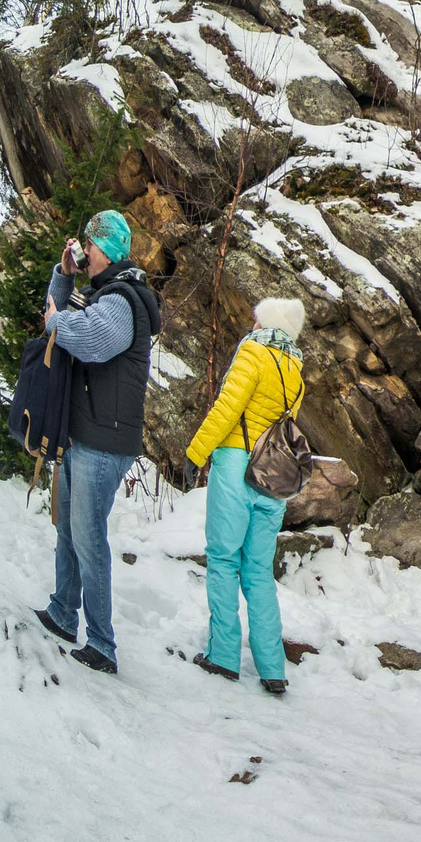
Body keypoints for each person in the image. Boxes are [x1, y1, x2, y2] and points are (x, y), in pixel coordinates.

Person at [31, 209, 159, 676]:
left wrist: (56, 323)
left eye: (90, 243)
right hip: (83, 434)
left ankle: (102, 644)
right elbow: (58, 314)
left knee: (88, 538)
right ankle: (64, 614)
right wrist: (62, 276)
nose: (85, 249)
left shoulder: (124, 300)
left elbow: (85, 338)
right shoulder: (99, 292)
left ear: (106, 249)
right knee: (68, 527)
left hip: (105, 442)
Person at [183, 297, 308, 694]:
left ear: (267, 323)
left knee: (222, 559)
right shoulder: (296, 371)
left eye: (257, 318)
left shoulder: (253, 353)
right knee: (257, 572)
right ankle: (272, 667)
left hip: (237, 467)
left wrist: (196, 452)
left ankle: (222, 655)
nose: (252, 324)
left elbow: (226, 408)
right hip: (271, 478)